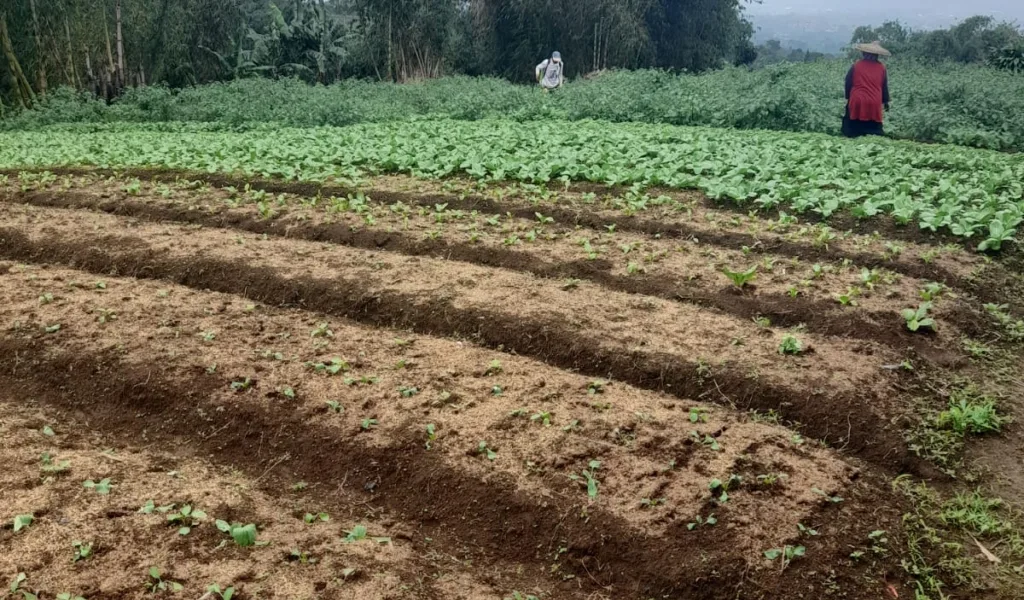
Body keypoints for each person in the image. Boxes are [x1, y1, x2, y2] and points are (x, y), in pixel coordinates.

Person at [843, 41, 891, 138]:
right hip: (874, 101)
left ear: (864, 54)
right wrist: (885, 102)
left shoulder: (856, 65)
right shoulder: (881, 68)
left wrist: (848, 97)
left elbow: (848, 82)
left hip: (857, 99)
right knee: (874, 129)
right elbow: (884, 86)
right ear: (877, 55)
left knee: (851, 127)